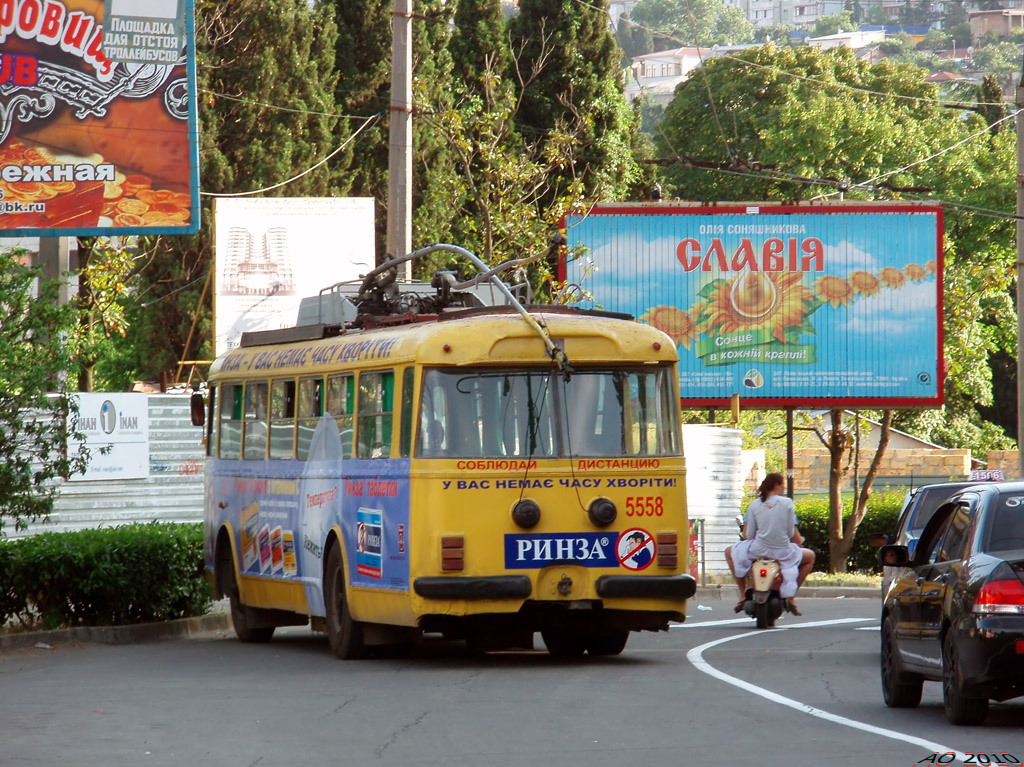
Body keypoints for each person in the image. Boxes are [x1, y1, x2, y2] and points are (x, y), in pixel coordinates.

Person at [725, 472, 809, 616]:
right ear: (776, 485)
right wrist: (800, 541)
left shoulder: (755, 505)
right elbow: (791, 533)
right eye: (783, 485)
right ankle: (791, 597)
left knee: (729, 551)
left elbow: (748, 535)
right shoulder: (787, 503)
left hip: (759, 550)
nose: (783, 488)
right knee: (810, 557)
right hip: (783, 552)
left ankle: (743, 594)